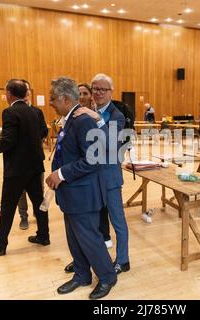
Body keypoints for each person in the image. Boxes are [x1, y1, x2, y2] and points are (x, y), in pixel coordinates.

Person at [46, 76, 117, 300]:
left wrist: (61, 173)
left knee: (89, 238)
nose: (50, 102)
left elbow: (93, 159)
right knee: (74, 237)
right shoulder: (72, 117)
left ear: (66, 99)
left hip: (83, 193)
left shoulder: (83, 119)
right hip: (71, 192)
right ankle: (82, 274)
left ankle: (107, 277)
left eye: (53, 98)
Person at [70, 73, 130, 275]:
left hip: (109, 177)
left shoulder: (117, 115)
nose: (98, 93)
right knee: (91, 223)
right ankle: (87, 260)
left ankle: (123, 259)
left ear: (111, 92)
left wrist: (98, 120)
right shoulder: (85, 111)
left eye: (103, 89)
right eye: (95, 88)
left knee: (117, 221)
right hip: (90, 176)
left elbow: (112, 145)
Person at [0, 79, 49, 256]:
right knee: (39, 202)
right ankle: (44, 235)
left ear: (9, 94)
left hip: (17, 168)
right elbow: (44, 132)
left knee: (8, 205)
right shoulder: (36, 111)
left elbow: (9, 139)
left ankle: (0, 244)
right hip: (35, 165)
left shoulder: (9, 112)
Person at [77, 82, 113, 249]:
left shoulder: (98, 113)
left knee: (100, 203)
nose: (82, 96)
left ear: (90, 95)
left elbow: (108, 140)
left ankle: (104, 235)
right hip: (81, 164)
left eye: (85, 93)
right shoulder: (74, 114)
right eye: (79, 94)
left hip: (98, 163)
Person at [16, 79, 48, 230]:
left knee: (38, 190)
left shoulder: (37, 111)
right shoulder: (13, 111)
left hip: (35, 158)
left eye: (27, 89)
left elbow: (44, 131)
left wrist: (34, 139)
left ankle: (39, 214)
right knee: (20, 191)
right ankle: (23, 216)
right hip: (19, 161)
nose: (26, 92)